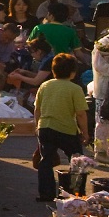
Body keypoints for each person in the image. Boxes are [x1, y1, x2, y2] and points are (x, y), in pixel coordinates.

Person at [32, 53, 89, 202]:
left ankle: (46, 193)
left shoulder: (45, 85)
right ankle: (75, 191)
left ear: (53, 70)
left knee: (45, 161)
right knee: (77, 159)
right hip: (67, 130)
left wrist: (37, 127)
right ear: (73, 72)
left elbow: (37, 109)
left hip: (45, 128)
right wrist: (85, 133)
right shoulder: (75, 89)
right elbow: (81, 114)